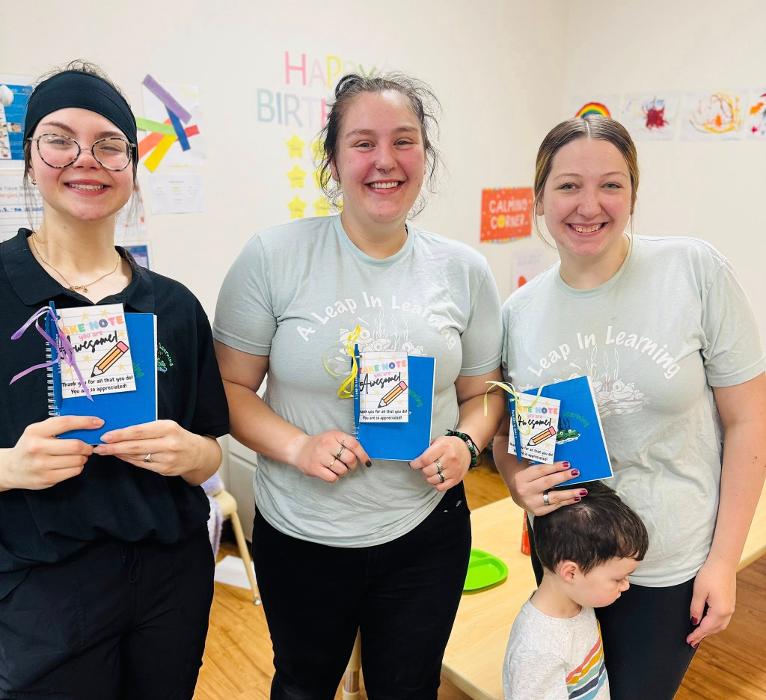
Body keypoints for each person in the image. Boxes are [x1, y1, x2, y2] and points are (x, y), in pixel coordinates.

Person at [214, 72, 504, 699]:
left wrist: (465, 443)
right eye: (363, 142)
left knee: (409, 687)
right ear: (334, 159)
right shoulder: (273, 257)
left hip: (426, 529)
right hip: (302, 530)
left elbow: (485, 394)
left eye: (403, 141)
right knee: (303, 686)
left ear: (425, 155)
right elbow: (229, 389)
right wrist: (298, 446)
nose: (384, 160)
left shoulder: (464, 270)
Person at [493, 115, 766, 700]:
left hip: (669, 565)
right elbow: (509, 437)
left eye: (611, 185)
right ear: (540, 198)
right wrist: (517, 482)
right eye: (568, 185)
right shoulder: (519, 313)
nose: (589, 205)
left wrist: (724, 562)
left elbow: (749, 420)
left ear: (633, 195)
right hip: (565, 563)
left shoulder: (693, 271)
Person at [0, 62, 228, 698]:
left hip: (170, 579)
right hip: (41, 587)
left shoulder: (173, 306)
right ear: (29, 158)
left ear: (131, 165)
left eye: (108, 144)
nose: (86, 159)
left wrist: (189, 454)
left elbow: (211, 448)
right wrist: (8, 467)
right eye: (60, 139)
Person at [504, 481, 648, 699]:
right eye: (618, 579)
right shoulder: (537, 649)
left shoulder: (579, 602)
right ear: (571, 572)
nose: (626, 585)